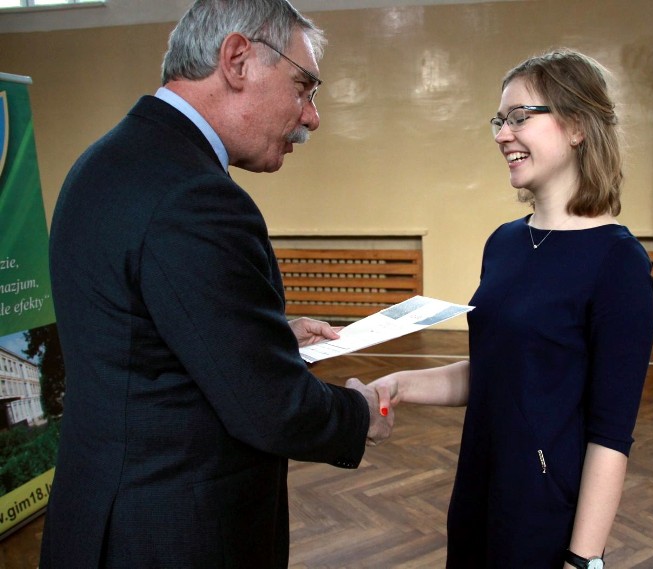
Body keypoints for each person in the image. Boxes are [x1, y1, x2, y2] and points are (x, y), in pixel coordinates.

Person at [40, 1, 392, 567]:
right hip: (172, 534)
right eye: (304, 87)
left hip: (101, 515)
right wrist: (361, 409)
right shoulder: (196, 196)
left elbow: (140, 336)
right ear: (237, 60)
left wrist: (265, 336)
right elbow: (269, 409)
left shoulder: (107, 162)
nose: (311, 117)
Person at [361, 49, 653, 568]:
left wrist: (583, 560)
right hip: (478, 492)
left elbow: (611, 436)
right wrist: (400, 385)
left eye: (520, 117)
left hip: (545, 517)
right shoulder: (504, 243)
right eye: (500, 120)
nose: (502, 134)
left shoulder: (617, 261)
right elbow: (503, 373)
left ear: (578, 126)